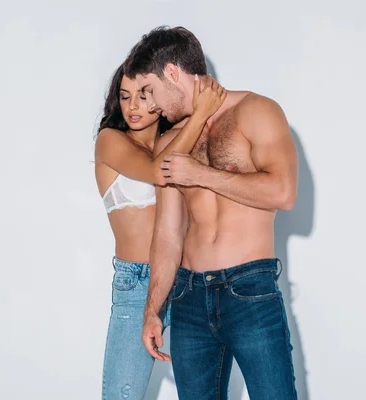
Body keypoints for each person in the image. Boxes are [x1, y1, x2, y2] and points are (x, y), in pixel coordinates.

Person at [124, 26, 299, 399]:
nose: (150, 105)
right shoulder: (171, 141)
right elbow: (168, 233)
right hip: (188, 298)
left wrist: (201, 174)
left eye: (149, 90)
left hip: (249, 289)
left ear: (173, 73)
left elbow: (283, 193)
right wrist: (152, 309)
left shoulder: (257, 110)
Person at [95, 60, 225, 399]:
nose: (133, 106)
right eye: (125, 97)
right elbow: (158, 171)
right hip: (138, 285)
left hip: (189, 280)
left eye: (143, 94)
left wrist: (199, 112)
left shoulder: (182, 136)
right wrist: (199, 115)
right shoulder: (110, 141)